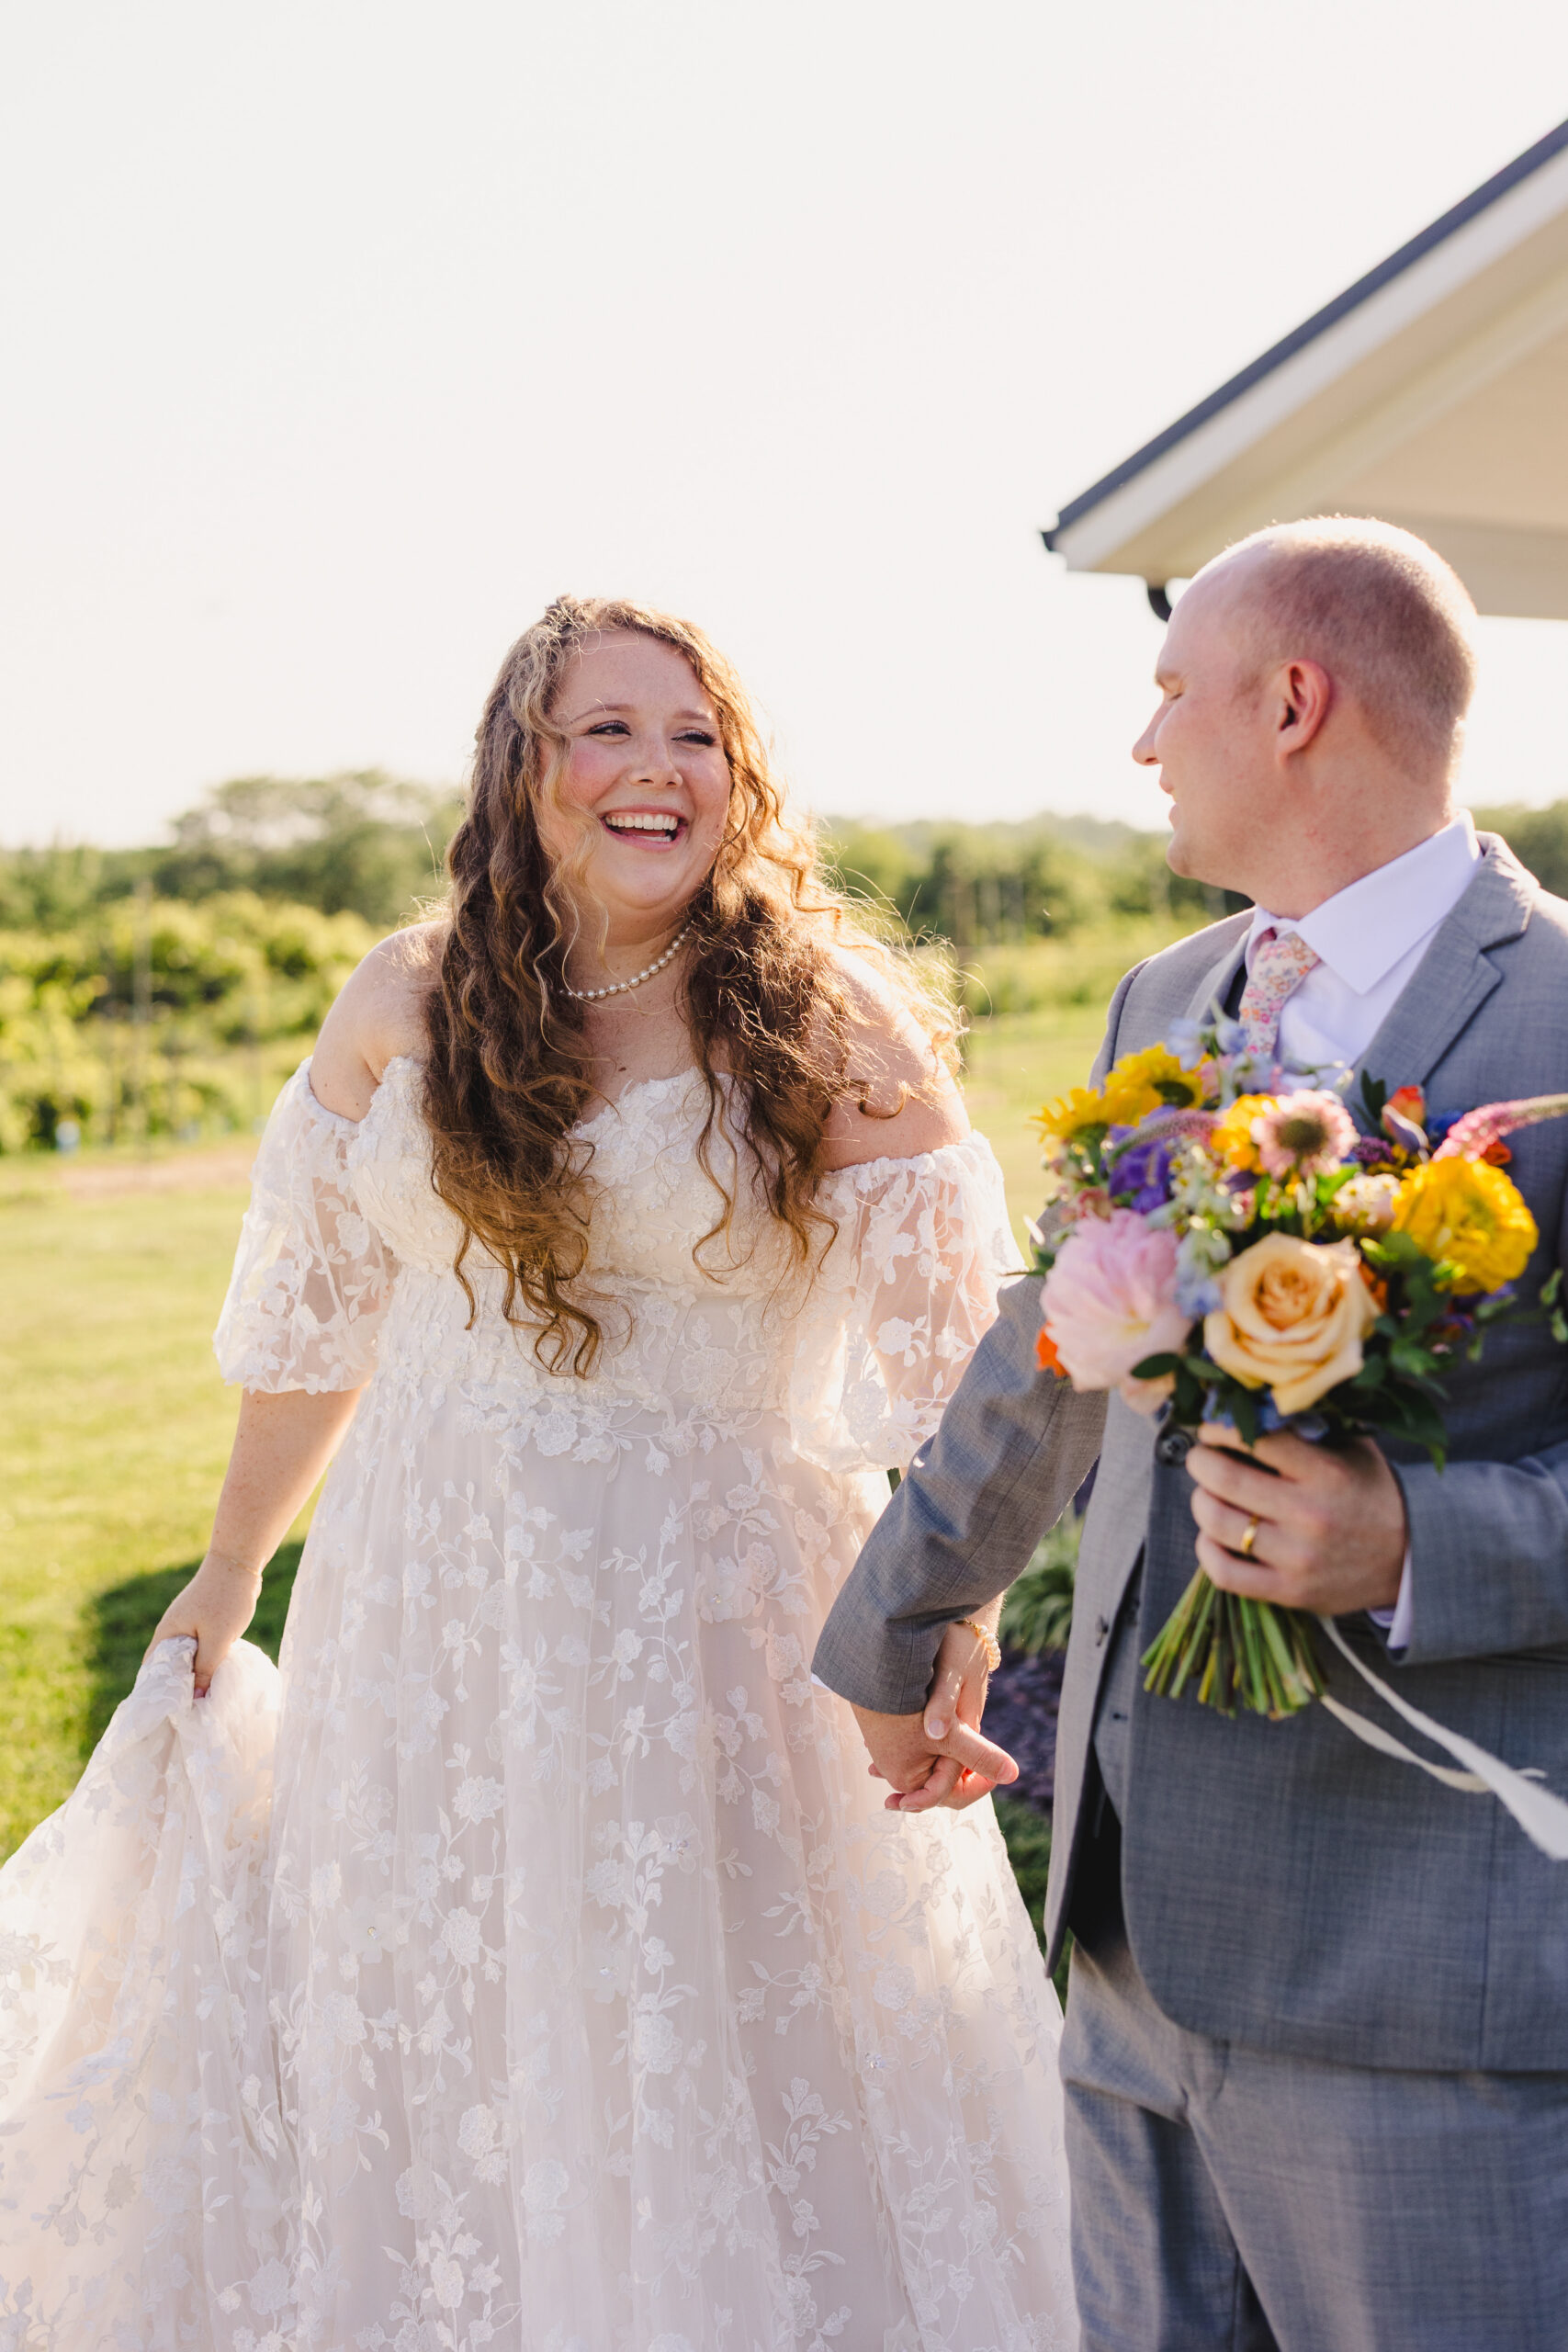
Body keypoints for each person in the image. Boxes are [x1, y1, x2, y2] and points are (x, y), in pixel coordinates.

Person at [0, 597, 1078, 2347]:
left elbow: (959, 1381)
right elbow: (313, 1329)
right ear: (526, 762)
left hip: (723, 1612)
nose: (659, 771)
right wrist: (224, 1569)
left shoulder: (825, 1012)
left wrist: (949, 1612)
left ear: (742, 775)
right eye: (611, 730)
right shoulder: (407, 995)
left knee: (717, 2014)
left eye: (696, 736)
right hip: (425, 1596)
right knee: (450, 2001)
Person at [814, 518, 1568, 2351]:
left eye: (1168, 693)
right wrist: (896, 1626)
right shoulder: (1167, 999)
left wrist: (1415, 1542)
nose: (1142, 744)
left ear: (1291, 701)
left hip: (1420, 1978)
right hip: (1132, 1935)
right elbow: (1046, 1343)